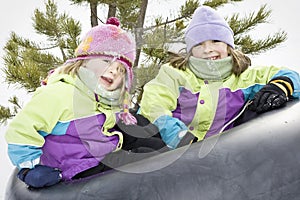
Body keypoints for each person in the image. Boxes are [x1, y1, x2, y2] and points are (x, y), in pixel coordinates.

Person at [5, 17, 165, 188]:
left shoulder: (101, 98)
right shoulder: (60, 93)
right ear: (85, 60)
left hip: (96, 158)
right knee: (144, 161)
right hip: (75, 168)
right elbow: (20, 130)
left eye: (121, 70)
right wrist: (30, 168)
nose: (113, 71)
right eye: (106, 61)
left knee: (153, 147)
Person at [139, 6, 300, 150]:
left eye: (215, 41)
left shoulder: (244, 77)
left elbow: (289, 75)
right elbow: (154, 105)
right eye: (199, 44)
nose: (208, 49)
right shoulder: (174, 74)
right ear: (190, 51)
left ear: (228, 46)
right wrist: (182, 139)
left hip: (220, 160)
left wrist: (279, 87)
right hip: (169, 150)